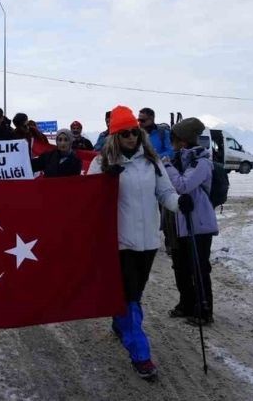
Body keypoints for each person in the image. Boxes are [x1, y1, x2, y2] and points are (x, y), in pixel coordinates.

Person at [87, 105, 185, 381]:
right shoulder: (102, 163)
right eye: (125, 132)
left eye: (134, 131)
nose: (131, 137)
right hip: (120, 242)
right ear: (115, 136)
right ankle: (140, 354)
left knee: (134, 294)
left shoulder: (151, 161)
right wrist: (107, 179)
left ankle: (121, 323)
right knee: (131, 297)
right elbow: (89, 197)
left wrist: (180, 203)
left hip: (148, 242)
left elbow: (165, 192)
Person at [163, 117, 218, 325]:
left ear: (183, 140)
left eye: (174, 138)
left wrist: (167, 166)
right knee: (182, 267)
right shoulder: (182, 159)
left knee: (199, 268)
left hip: (199, 225)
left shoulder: (201, 162)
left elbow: (183, 186)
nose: (171, 142)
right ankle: (186, 304)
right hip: (181, 224)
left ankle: (204, 310)